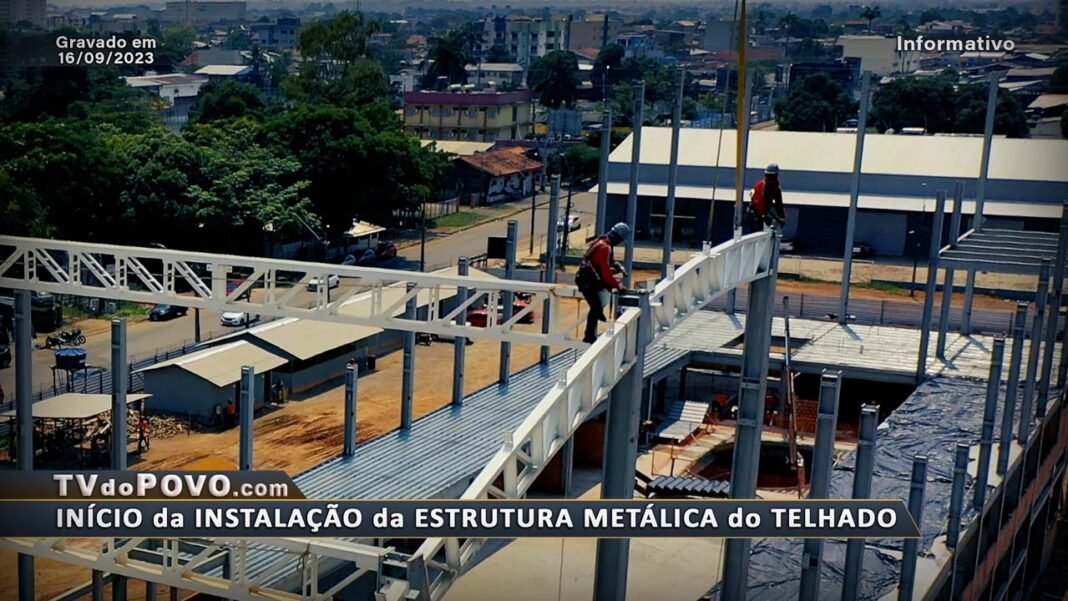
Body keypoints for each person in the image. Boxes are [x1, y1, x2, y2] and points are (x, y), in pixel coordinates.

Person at [575, 222, 630, 344]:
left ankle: (591, 333)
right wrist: (617, 285)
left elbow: (599, 267)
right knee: (596, 308)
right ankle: (589, 336)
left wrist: (614, 270)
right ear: (618, 237)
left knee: (596, 308)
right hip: (588, 282)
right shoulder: (605, 248)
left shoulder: (600, 242)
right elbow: (605, 273)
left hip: (585, 279)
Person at [748, 163, 786, 232]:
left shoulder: (760, 184)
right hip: (757, 216)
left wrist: (780, 217)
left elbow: (777, 204)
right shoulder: (771, 187)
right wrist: (780, 218)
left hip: (755, 214)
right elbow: (776, 204)